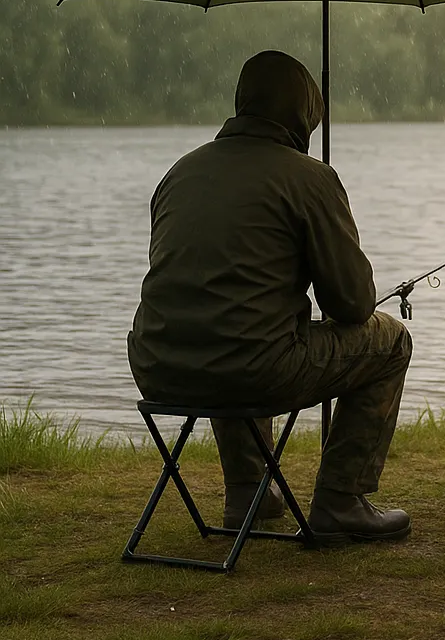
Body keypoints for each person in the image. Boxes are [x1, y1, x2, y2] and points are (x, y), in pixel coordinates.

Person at [128, 50, 412, 546]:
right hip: (251, 370)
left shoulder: (179, 173)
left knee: (236, 328)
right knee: (389, 341)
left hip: (158, 367)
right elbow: (352, 305)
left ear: (241, 103)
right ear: (303, 117)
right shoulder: (310, 179)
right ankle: (342, 501)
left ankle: (248, 492)